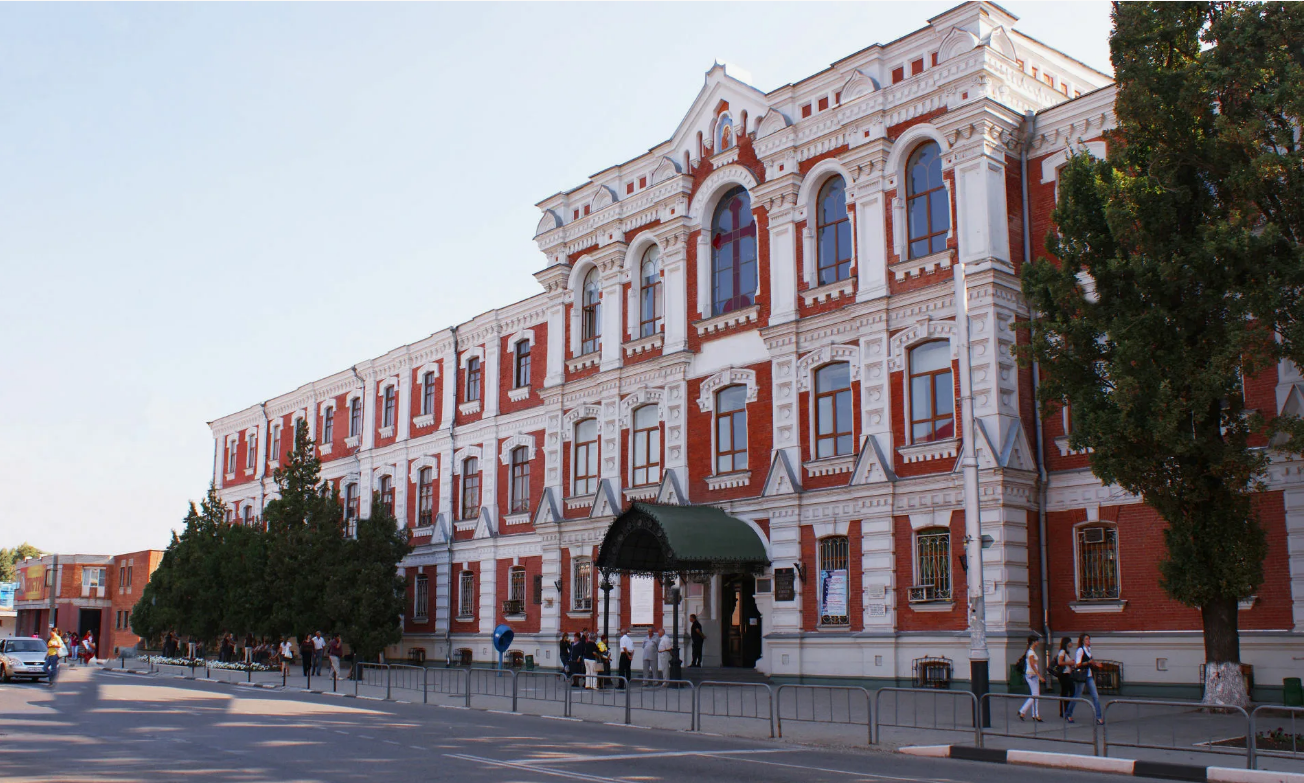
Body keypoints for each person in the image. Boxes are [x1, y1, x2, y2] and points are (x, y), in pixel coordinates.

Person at [1064, 633, 1103, 725]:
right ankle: (1068, 713)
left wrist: (1095, 663)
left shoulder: (1088, 650)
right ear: (1082, 641)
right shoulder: (1080, 650)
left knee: (1095, 696)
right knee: (1077, 695)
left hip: (1088, 675)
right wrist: (1088, 662)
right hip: (1081, 675)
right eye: (1086, 639)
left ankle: (1098, 717)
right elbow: (1078, 664)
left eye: (1089, 639)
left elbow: (1090, 662)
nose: (1088, 641)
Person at [1017, 636, 1045, 721]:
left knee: (1036, 695)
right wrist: (1039, 675)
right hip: (1031, 675)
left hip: (1033, 675)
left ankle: (1035, 714)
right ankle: (1023, 710)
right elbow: (1032, 665)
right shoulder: (1031, 652)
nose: (1038, 643)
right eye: (1037, 641)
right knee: (1035, 695)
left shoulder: (1031, 651)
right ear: (1033, 642)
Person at [1054, 637, 1075, 717]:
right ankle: (1065, 710)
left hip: (1067, 673)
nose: (1071, 644)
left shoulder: (1066, 652)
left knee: (1065, 692)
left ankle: (1064, 711)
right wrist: (1069, 663)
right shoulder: (1062, 651)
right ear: (1066, 643)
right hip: (1064, 674)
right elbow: (1060, 662)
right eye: (1070, 642)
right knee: (1068, 691)